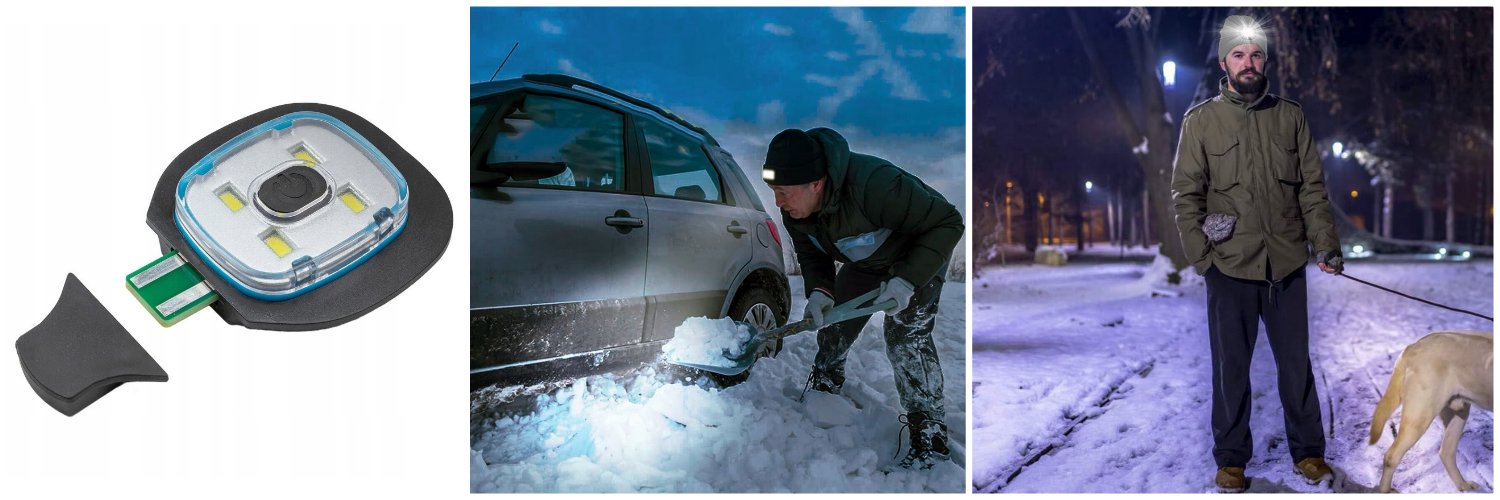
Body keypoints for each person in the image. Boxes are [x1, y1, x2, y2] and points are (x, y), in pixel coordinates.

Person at [1170, 14, 1343, 493]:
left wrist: (1325, 244)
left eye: (1257, 54)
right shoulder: (1201, 121)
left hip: (1285, 263)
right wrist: (1202, 258)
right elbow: (1186, 195)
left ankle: (1308, 453)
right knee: (1231, 372)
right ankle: (1231, 460)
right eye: (1239, 54)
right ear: (1225, 61)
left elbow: (1312, 187)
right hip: (1229, 267)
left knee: (1297, 368)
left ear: (1265, 59)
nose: (1249, 63)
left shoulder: (1290, 115)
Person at [762, 127, 963, 469]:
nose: (778, 202)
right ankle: (825, 382)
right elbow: (812, 256)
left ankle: (929, 429)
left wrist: (906, 280)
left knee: (905, 337)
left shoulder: (875, 184)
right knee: (833, 323)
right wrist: (820, 291)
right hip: (866, 263)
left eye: (783, 192)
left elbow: (947, 222)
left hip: (918, 256)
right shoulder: (795, 212)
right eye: (774, 192)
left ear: (816, 183)